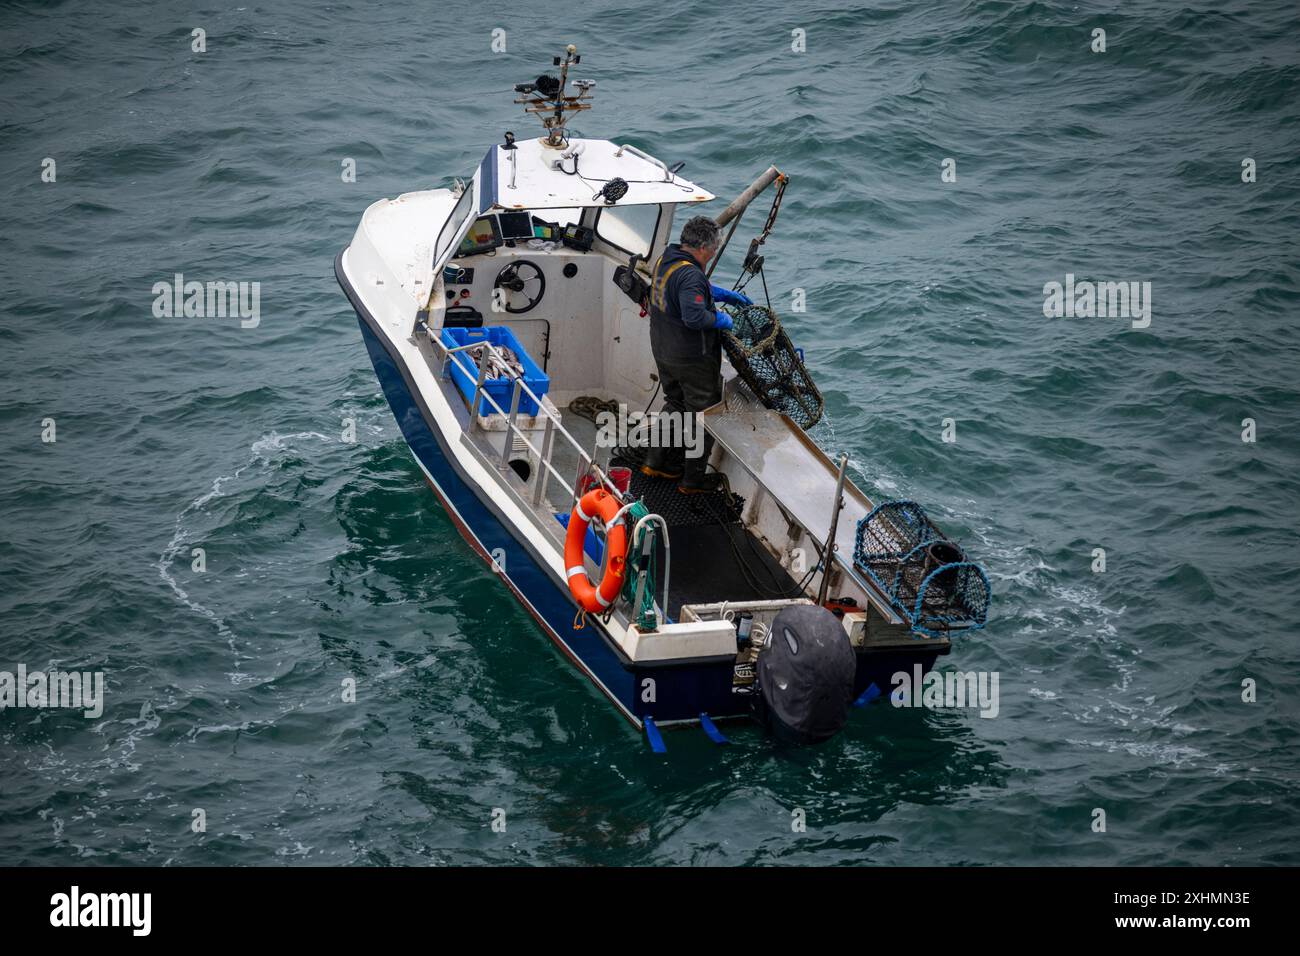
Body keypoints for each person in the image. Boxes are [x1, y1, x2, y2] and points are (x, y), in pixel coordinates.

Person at [641, 215, 751, 493]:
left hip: (663, 350)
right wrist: (721, 319)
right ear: (703, 247)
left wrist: (720, 293)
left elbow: (686, 290)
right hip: (691, 358)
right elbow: (694, 316)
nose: (713, 255)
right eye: (713, 250)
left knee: (676, 403)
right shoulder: (691, 274)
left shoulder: (667, 259)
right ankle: (692, 481)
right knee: (705, 415)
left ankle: (655, 462)